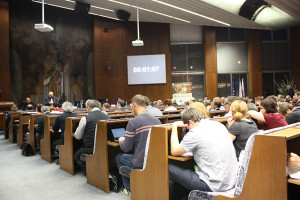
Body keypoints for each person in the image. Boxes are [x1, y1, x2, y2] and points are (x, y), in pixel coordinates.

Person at [169, 108, 238, 200]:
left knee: (169, 168)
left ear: (191, 122)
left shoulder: (195, 133)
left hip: (214, 185)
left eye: (187, 127)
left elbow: (174, 151)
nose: (187, 129)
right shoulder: (219, 125)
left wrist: (174, 127)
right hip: (231, 181)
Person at [116, 94, 161, 195]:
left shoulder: (133, 122)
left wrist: (121, 140)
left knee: (119, 157)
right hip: (154, 160)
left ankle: (129, 188)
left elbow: (126, 148)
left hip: (140, 161)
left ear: (134, 105)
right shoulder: (157, 120)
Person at [74, 100, 110, 173]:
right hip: (105, 145)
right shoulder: (107, 116)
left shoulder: (85, 118)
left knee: (77, 156)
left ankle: (89, 173)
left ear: (88, 108)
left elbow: (78, 137)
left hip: (91, 147)